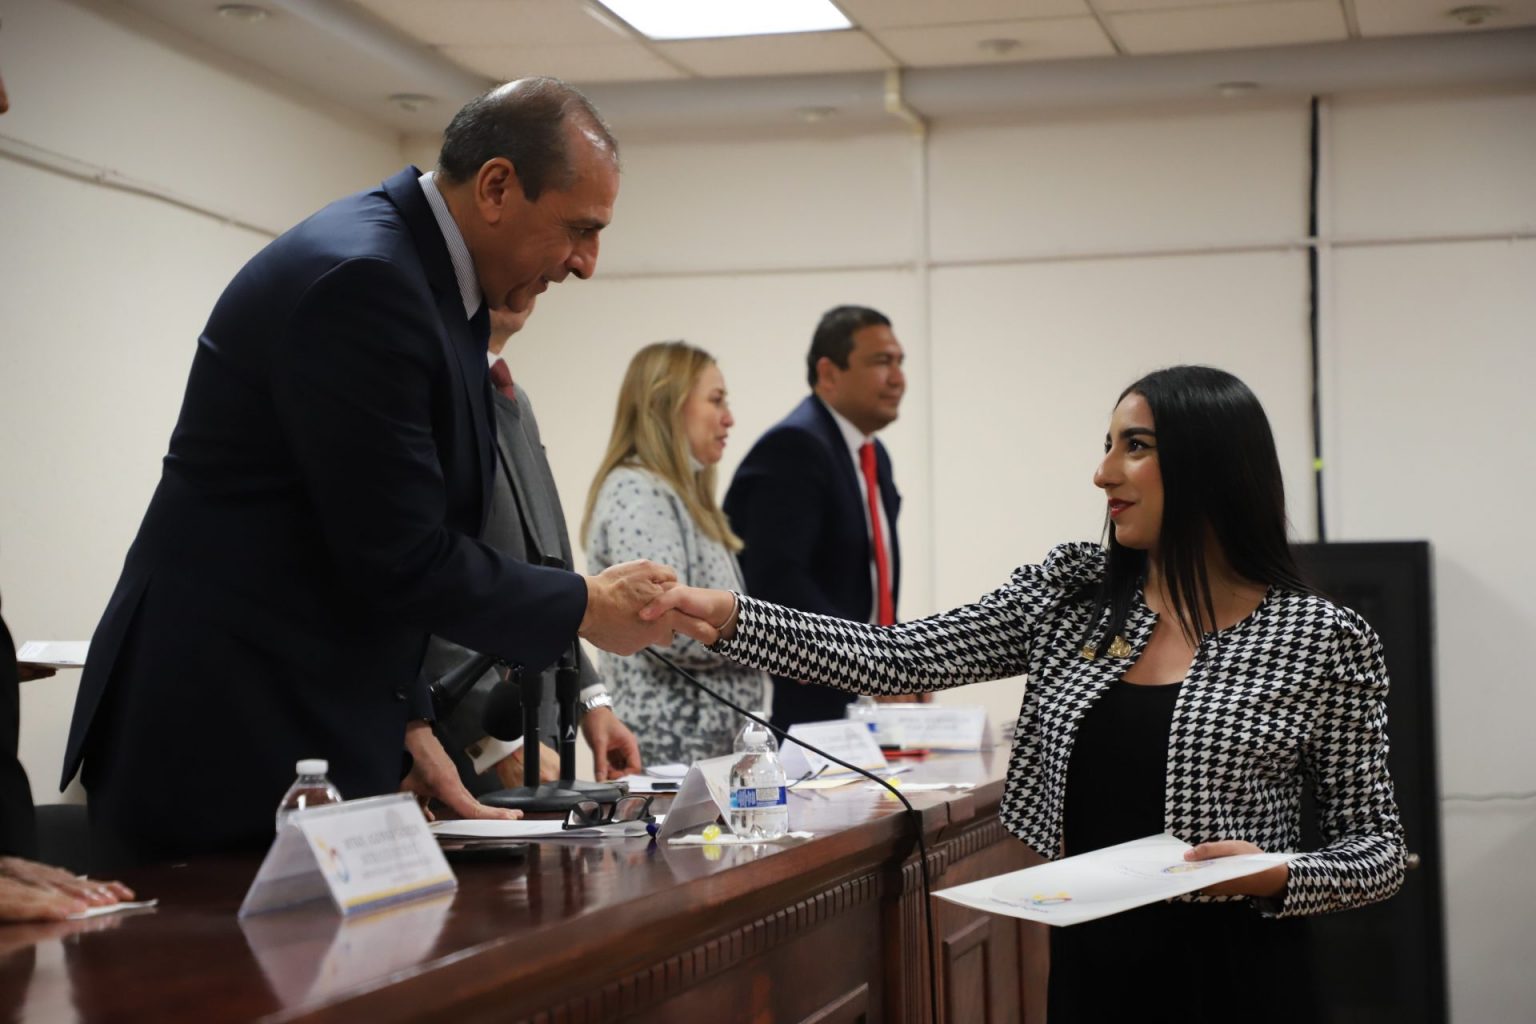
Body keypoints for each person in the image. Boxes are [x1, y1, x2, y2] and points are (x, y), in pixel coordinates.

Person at [648, 365, 1406, 1022]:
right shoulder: (1074, 596)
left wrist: (1278, 873)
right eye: (1107, 445)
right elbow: (900, 656)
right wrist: (734, 618)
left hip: (1239, 975)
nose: (1103, 473)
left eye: (1135, 447)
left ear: (1212, 466)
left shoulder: (1320, 638)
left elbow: (1377, 850)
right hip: (1093, 970)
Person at [62, 78, 687, 866]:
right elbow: (399, 552)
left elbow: (358, 535)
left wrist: (408, 719)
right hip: (227, 732)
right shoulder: (368, 280)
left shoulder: (425, 281)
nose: (588, 263)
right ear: (496, 187)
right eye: (579, 229)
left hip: (297, 707)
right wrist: (585, 605)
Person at [428, 301, 642, 793]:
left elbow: (552, 572)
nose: (568, 270)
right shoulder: (433, 395)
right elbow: (426, 577)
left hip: (539, 726)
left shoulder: (515, 400)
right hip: (459, 741)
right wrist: (496, 742)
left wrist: (592, 701)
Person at [723, 305, 914, 732]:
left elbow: (869, 581)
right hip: (805, 704)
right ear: (829, 373)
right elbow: (776, 578)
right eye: (882, 361)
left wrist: (900, 659)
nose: (898, 378)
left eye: (900, 362)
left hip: (859, 693)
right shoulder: (794, 445)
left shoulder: (873, 454)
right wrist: (867, 659)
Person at [582, 343, 770, 765]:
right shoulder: (640, 492)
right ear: (666, 403)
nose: (729, 418)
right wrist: (773, 641)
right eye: (716, 400)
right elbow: (662, 619)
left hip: (702, 753)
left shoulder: (679, 494)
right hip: (671, 755)